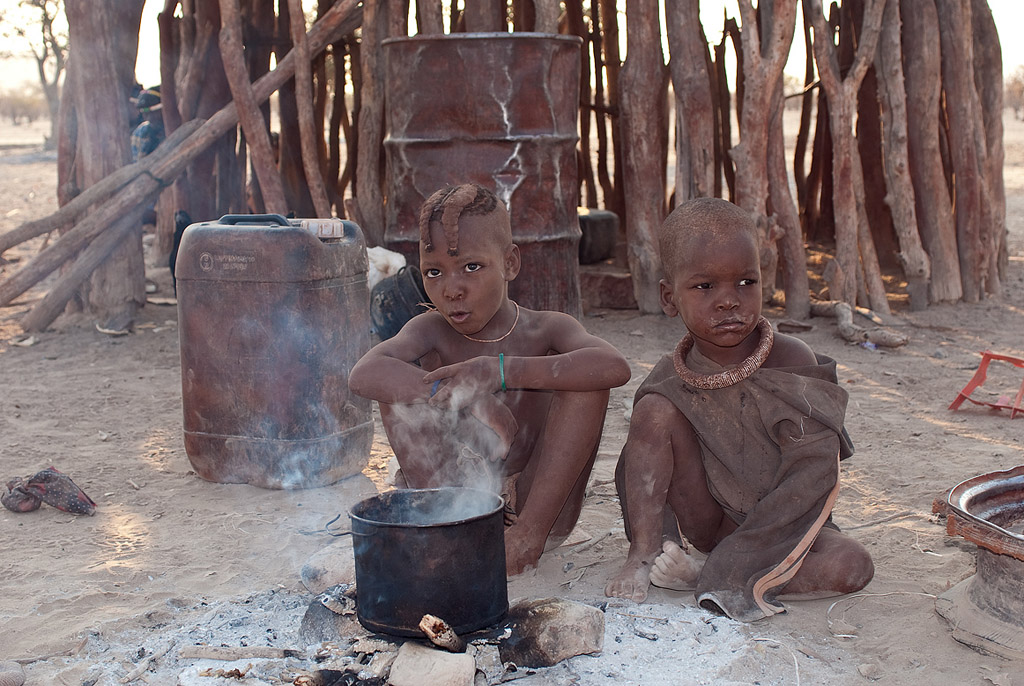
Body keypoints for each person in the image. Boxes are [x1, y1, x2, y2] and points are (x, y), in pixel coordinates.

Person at [604, 197, 873, 622]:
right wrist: (654, 539)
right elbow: (638, 465)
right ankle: (645, 555)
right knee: (653, 411)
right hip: (710, 521)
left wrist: (748, 552)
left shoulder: (792, 360)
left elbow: (814, 472)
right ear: (669, 298)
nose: (729, 301)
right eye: (705, 286)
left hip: (784, 529)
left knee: (851, 565)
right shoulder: (670, 376)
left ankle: (709, 575)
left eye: (746, 282)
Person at [349, 183, 632, 575]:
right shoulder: (429, 329)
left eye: (471, 267)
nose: (451, 290)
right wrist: (467, 396)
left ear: (510, 263)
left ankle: (524, 542)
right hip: (453, 494)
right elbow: (364, 374)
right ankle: (448, 526)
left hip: (538, 509)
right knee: (395, 385)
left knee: (586, 379)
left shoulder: (545, 329)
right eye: (434, 272)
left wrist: (497, 371)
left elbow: (614, 366)